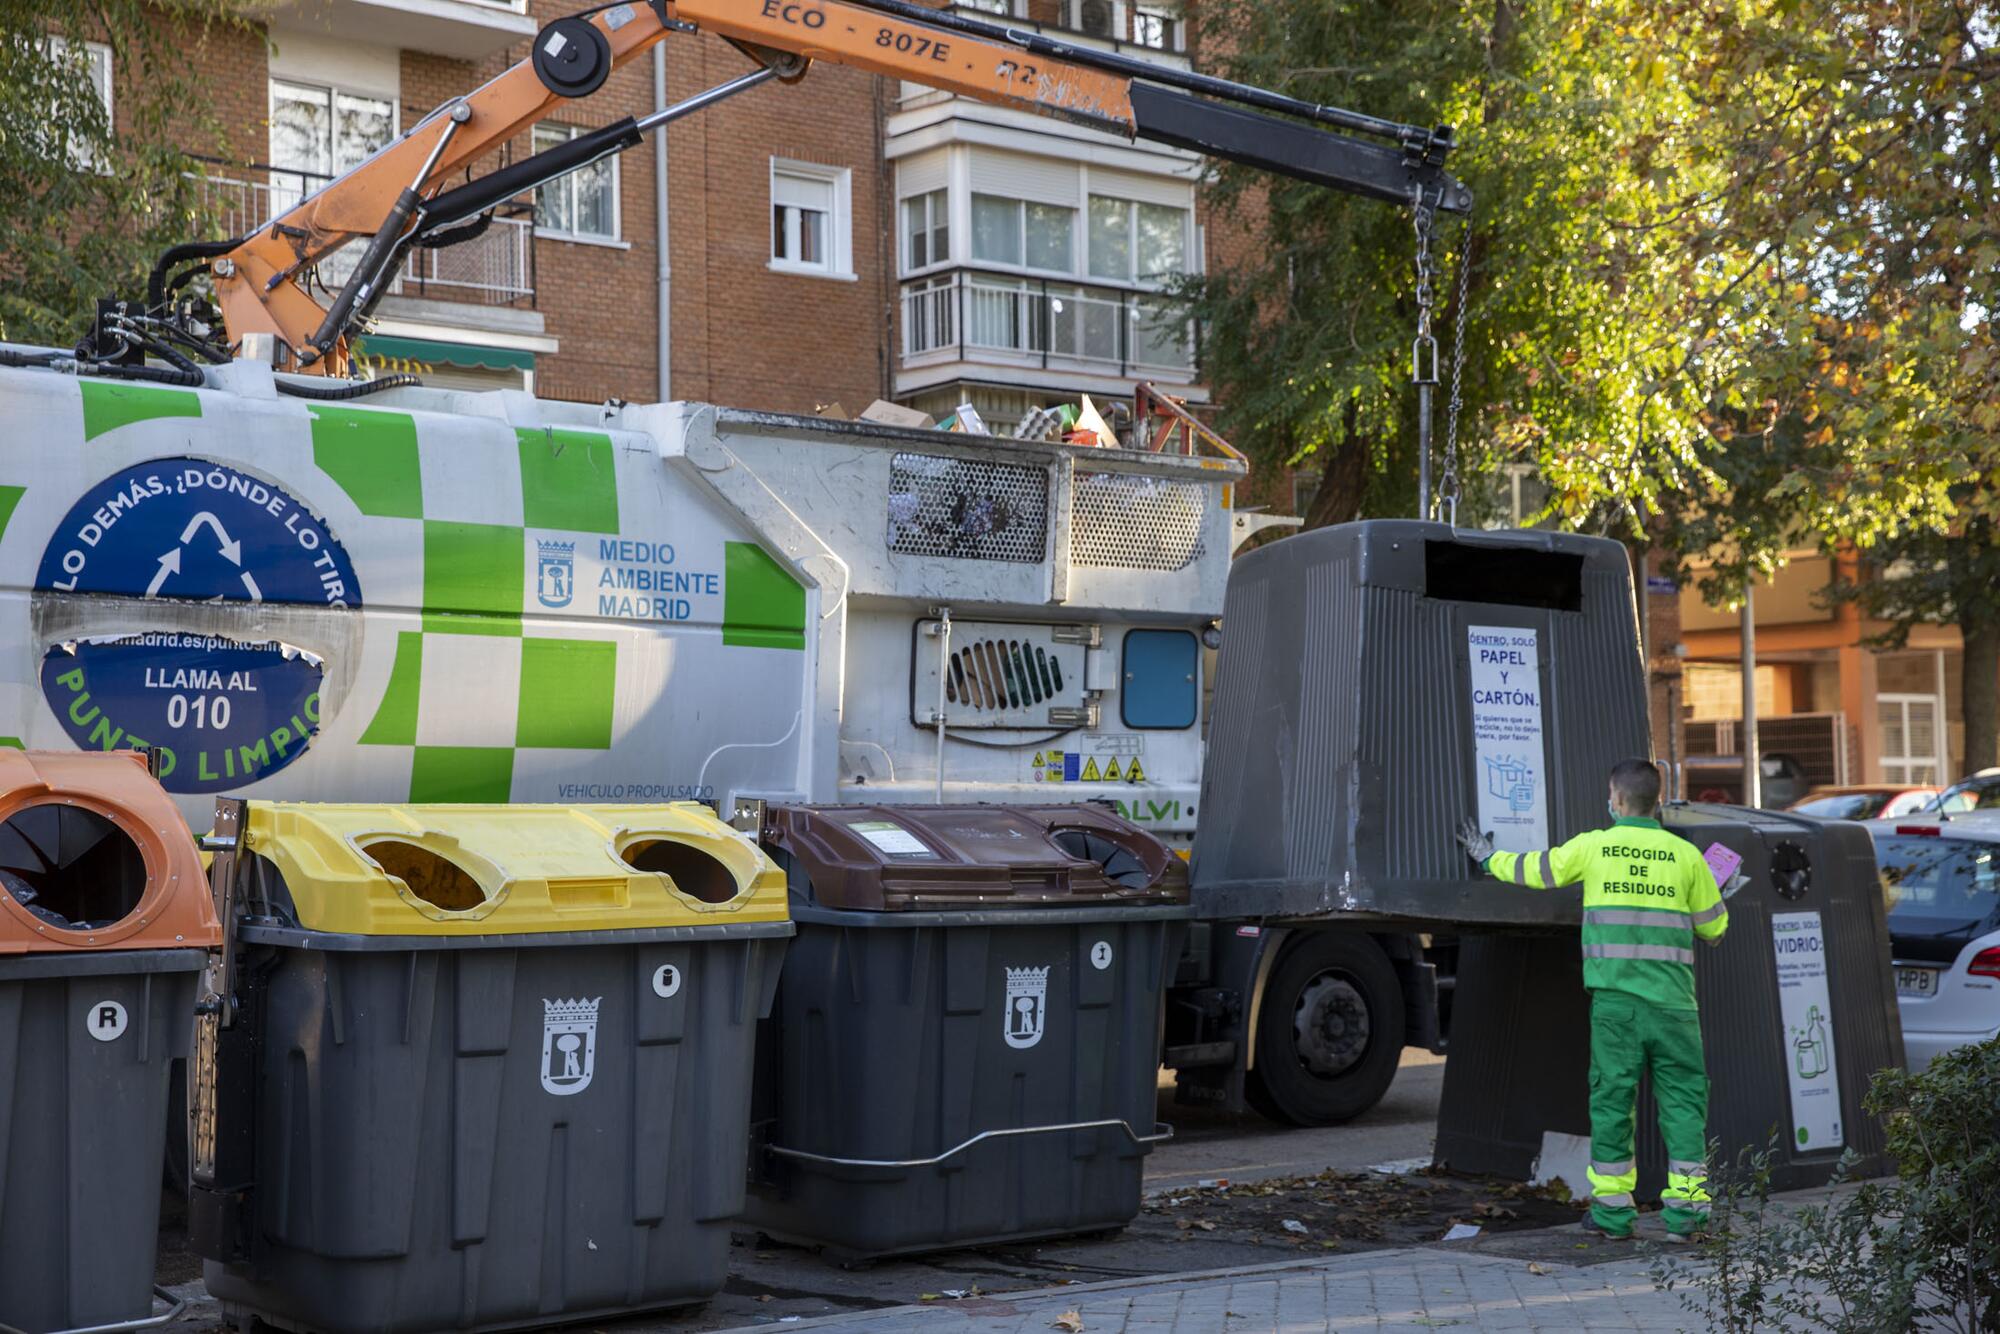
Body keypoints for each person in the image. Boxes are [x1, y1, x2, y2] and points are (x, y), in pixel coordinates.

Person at [1456, 757, 1731, 1242]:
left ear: (1617, 800)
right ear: (1657, 801)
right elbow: (1714, 928)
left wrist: (1486, 857)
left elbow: (1535, 870)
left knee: (1612, 1106)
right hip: (1675, 1008)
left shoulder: (1594, 847)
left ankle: (1613, 1214)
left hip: (1616, 1008)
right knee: (1685, 1109)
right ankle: (1687, 1217)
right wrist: (1716, 890)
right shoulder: (1686, 856)